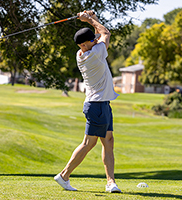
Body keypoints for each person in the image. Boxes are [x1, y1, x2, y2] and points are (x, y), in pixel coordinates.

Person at [54, 10, 121, 193]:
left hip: (101, 104)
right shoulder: (96, 53)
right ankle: (64, 175)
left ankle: (110, 182)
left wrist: (93, 20)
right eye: (89, 42)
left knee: (108, 141)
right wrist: (89, 19)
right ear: (88, 43)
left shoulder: (82, 53)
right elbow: (105, 33)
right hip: (97, 105)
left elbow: (98, 34)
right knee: (88, 143)